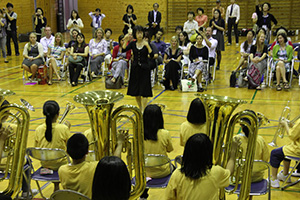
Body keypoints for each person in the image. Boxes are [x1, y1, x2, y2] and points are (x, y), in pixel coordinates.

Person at [165, 133, 238, 200]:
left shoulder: (177, 174)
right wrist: (233, 154)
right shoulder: (216, 172)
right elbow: (229, 171)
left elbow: (169, 197)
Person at [58, 133, 126, 199]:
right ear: (87, 152)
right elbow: (115, 163)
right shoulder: (94, 167)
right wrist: (120, 143)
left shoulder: (61, 170)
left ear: (67, 152)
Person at [34, 100, 72, 191]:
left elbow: (36, 150)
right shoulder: (63, 128)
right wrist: (67, 129)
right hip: (62, 166)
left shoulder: (38, 129)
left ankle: (56, 187)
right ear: (58, 113)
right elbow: (70, 149)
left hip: (45, 165)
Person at [140, 104, 174, 199]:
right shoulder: (165, 133)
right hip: (162, 171)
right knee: (176, 170)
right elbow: (170, 150)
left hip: (143, 172)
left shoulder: (139, 133)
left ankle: (143, 195)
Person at [122, 25, 153, 111]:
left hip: (145, 68)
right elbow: (123, 50)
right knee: (136, 91)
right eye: (138, 33)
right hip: (135, 69)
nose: (140, 34)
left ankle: (144, 109)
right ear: (135, 34)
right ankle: (140, 108)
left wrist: (148, 46)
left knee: (145, 90)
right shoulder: (133, 43)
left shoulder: (146, 43)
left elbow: (152, 55)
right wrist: (126, 40)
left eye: (141, 33)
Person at [233, 112, 269, 183]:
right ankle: (249, 194)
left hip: (238, 177)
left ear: (240, 125)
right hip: (257, 177)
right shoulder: (260, 139)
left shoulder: (235, 139)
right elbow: (266, 159)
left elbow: (229, 159)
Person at [270, 116, 300, 188]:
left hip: (298, 150)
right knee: (285, 149)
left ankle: (273, 180)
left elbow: (292, 136)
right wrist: (291, 125)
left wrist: (285, 124)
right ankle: (284, 175)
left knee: (274, 153)